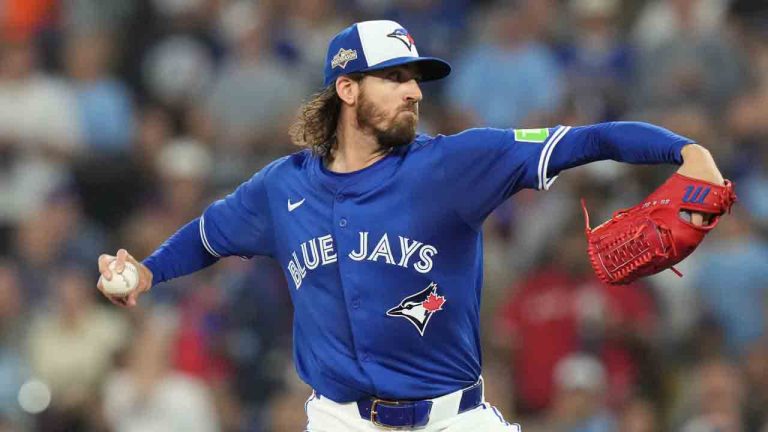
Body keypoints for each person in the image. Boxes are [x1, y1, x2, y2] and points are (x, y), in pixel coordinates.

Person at [97, 20, 726, 431]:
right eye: (395, 78)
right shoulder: (281, 187)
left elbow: (588, 139)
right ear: (346, 88)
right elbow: (206, 237)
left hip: (455, 419)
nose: (414, 92)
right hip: (341, 421)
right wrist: (147, 272)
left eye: (416, 80)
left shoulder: (457, 163)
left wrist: (683, 150)